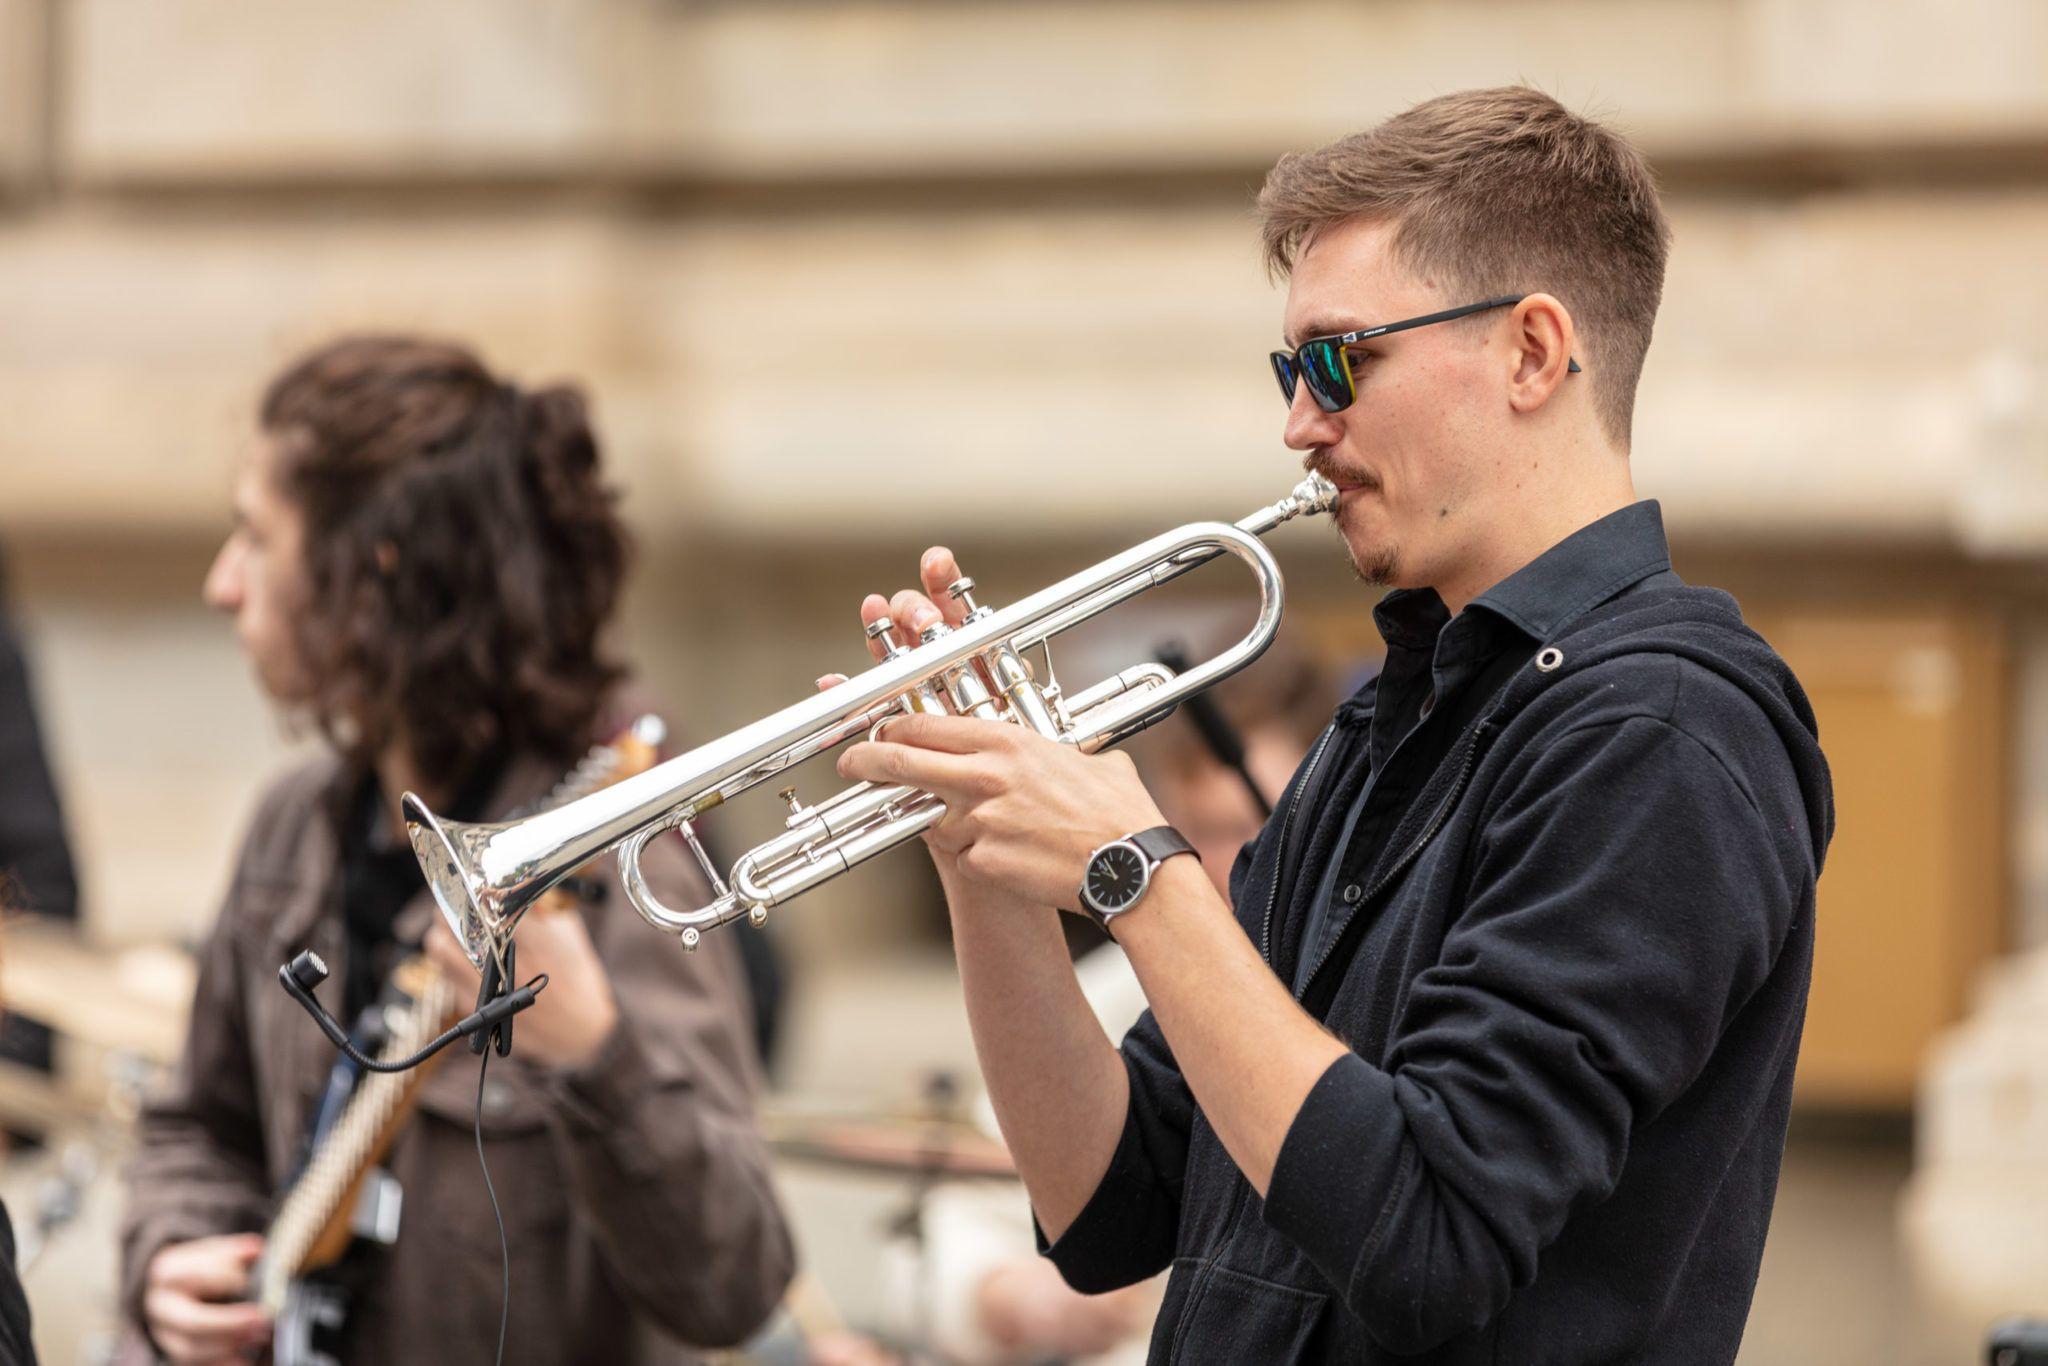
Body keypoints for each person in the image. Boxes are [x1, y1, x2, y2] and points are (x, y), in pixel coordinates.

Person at [837, 88, 1835, 1362]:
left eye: (1338, 361)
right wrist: (975, 842)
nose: (1300, 425)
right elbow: (1108, 1202)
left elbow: (1430, 1236)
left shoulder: (1663, 731)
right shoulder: (1396, 714)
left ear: (1531, 351)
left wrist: (1139, 874)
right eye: (1287, 370)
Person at [119, 336, 794, 1364]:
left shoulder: (615, 850)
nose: (222, 585)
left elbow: (734, 1281)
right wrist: (169, 1255)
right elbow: (195, 1125)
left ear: (371, 574)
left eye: (255, 539)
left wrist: (595, 1055)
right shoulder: (291, 822)